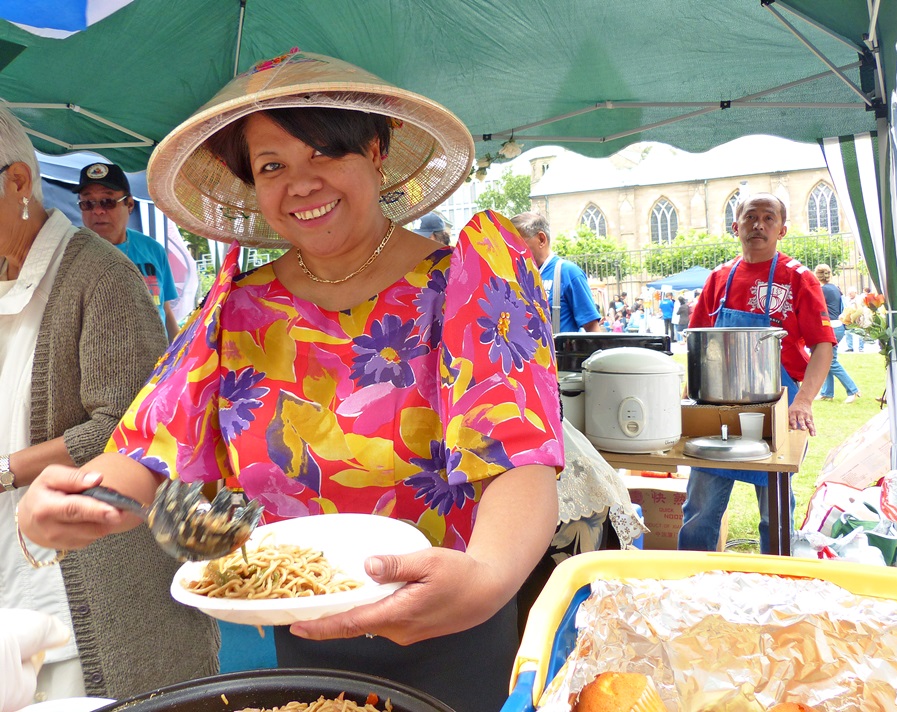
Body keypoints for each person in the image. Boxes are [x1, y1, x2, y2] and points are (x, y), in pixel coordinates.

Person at [18, 49, 564, 711]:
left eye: (324, 153)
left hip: (455, 623)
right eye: (272, 166)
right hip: (302, 635)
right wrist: (70, 501)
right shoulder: (236, 310)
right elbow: (146, 449)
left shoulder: (469, 276)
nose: (301, 184)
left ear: (376, 150)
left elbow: (520, 458)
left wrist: (485, 579)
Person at [0, 107, 219, 702]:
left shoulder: (102, 276)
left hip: (90, 577)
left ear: (18, 182)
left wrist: (5, 472)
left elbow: (129, 425)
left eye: (108, 201)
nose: (99, 210)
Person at [677, 193, 834, 554]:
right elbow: (697, 342)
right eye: (750, 217)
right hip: (717, 407)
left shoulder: (798, 278)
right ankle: (690, 581)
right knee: (699, 509)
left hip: (778, 405)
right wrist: (687, 398)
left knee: (775, 510)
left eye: (768, 218)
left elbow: (823, 345)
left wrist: (805, 401)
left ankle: (778, 580)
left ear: (782, 229)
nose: (758, 225)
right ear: (736, 227)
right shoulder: (719, 278)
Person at [75, 162, 180, 341]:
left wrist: (179, 358)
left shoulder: (153, 250)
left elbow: (166, 310)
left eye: (107, 202)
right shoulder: (70, 255)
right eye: (88, 203)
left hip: (156, 361)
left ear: (129, 204)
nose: (98, 210)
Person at [511, 211, 602, 333]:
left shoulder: (568, 273)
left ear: (541, 239)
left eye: (518, 243)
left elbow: (592, 329)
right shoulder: (515, 276)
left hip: (559, 351)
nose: (512, 249)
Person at [813, 264, 860, 403]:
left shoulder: (821, 290)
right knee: (826, 360)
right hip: (838, 326)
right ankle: (827, 393)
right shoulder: (835, 288)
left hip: (829, 328)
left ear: (817, 275)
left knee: (830, 361)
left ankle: (853, 390)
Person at [841, 288, 865, 352]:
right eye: (849, 293)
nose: (849, 294)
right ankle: (850, 347)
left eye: (851, 293)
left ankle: (861, 348)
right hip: (849, 318)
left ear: (855, 292)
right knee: (848, 332)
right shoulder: (847, 299)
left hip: (859, 318)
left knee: (860, 332)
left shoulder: (860, 299)